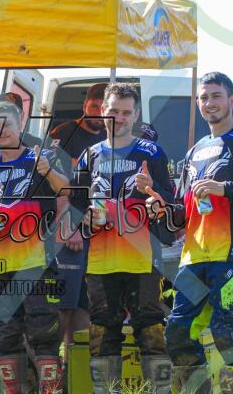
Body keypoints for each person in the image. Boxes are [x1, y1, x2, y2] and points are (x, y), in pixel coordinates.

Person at [72, 83, 174, 393]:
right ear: (103, 111)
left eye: (126, 112)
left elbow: (172, 205)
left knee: (151, 327)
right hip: (101, 260)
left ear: (136, 115)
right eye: (114, 111)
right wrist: (83, 218)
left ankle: (160, 390)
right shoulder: (89, 156)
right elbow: (74, 207)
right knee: (102, 329)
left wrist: (153, 191)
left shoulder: (152, 153)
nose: (119, 118)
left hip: (143, 258)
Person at [146, 72, 233, 393]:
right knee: (178, 334)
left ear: (231, 100)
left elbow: (220, 190)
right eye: (204, 97)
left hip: (229, 257)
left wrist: (224, 188)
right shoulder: (195, 151)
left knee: (226, 333)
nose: (210, 103)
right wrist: (162, 208)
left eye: (216, 96)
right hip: (194, 258)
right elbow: (183, 210)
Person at [0, 101, 69, 394]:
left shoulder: (41, 157)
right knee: (6, 336)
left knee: (44, 333)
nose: (1, 130)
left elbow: (66, 190)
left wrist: (48, 171)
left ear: (21, 125)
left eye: (7, 124)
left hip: (37, 263)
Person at [48, 83, 107, 368]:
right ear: (85, 106)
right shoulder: (63, 134)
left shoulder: (112, 136)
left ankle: (76, 372)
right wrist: (68, 225)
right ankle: (51, 366)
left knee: (86, 304)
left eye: (103, 108)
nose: (98, 113)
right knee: (64, 305)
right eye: (94, 106)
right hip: (69, 230)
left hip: (100, 232)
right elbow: (53, 184)